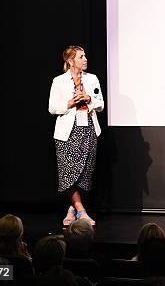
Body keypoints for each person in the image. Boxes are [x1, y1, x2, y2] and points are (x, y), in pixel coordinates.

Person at [49, 45, 104, 226]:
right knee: (68, 173)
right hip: (67, 132)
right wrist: (70, 103)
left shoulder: (92, 79)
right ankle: (81, 210)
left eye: (85, 56)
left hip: (88, 129)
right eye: (81, 57)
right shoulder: (59, 81)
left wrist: (89, 99)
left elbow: (100, 104)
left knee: (84, 173)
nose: (85, 59)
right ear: (71, 61)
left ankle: (72, 209)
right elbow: (52, 107)